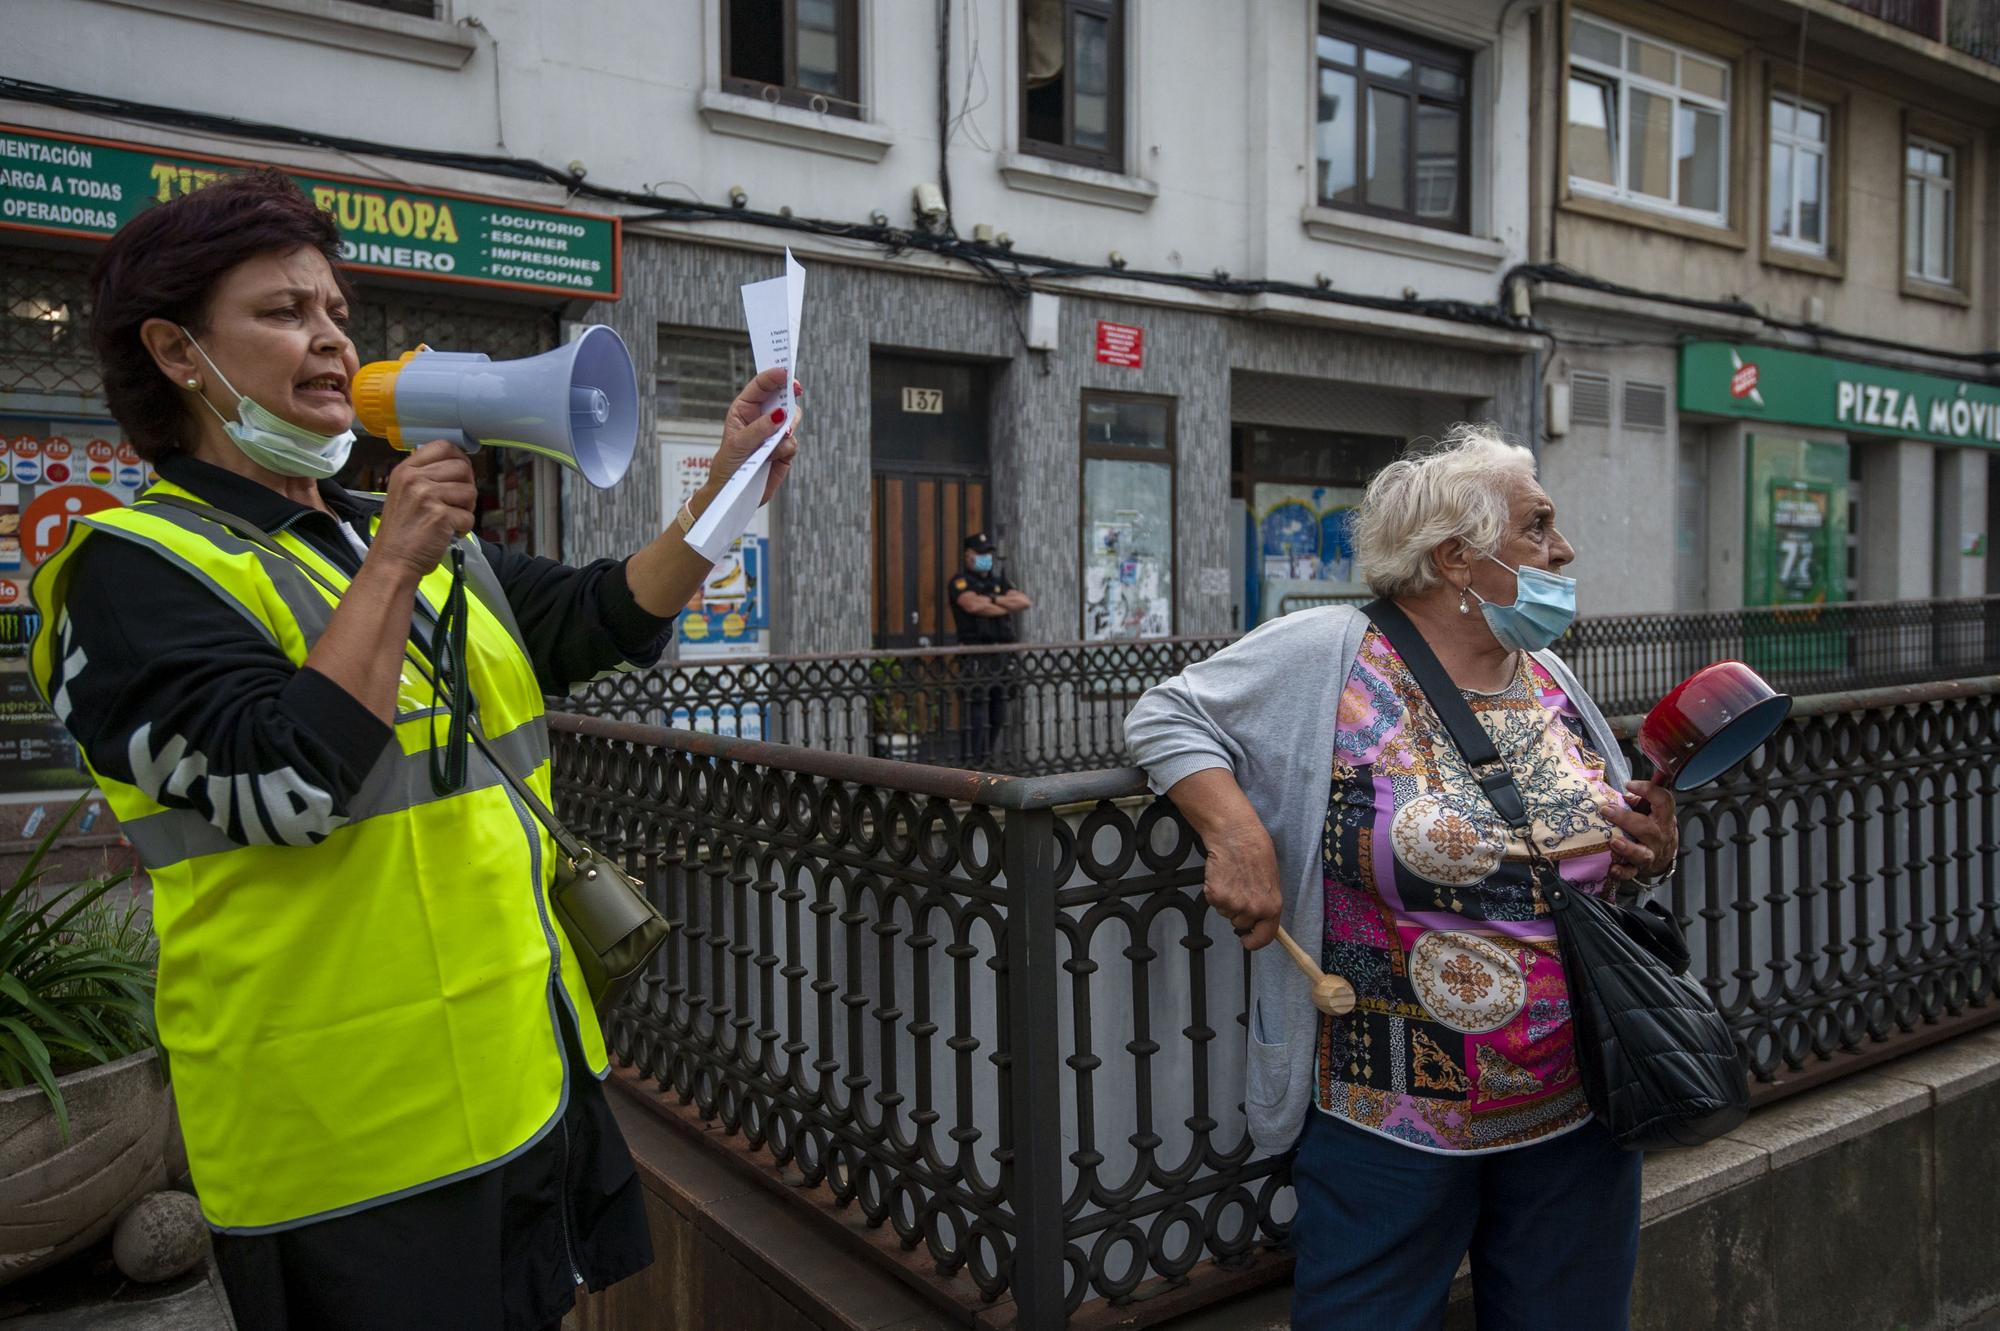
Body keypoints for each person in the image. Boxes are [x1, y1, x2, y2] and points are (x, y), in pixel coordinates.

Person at [30, 169, 803, 1331]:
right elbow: (283, 780)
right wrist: (393, 561)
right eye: (285, 311)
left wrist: (727, 490)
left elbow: (596, 612)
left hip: (518, 1079)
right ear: (178, 353)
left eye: (337, 311)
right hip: (345, 1144)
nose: (332, 338)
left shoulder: (371, 530)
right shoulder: (134, 573)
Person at [1124, 427, 1677, 1329]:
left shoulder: (1549, 678)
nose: (1563, 549)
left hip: (1580, 1110)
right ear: (1457, 555)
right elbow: (1165, 712)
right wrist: (1235, 832)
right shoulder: (1332, 655)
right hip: (1391, 1124)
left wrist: (1647, 849)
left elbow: (1599, 870)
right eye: (1539, 527)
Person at [949, 531, 1030, 765]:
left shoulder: (999, 581)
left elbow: (1023, 601)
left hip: (1002, 655)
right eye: (981, 553)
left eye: (988, 553)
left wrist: (991, 601)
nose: (986, 557)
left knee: (998, 711)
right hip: (976, 654)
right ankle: (971, 763)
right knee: (977, 712)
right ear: (968, 555)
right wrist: (1002, 603)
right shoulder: (960, 582)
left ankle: (985, 760)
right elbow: (973, 606)